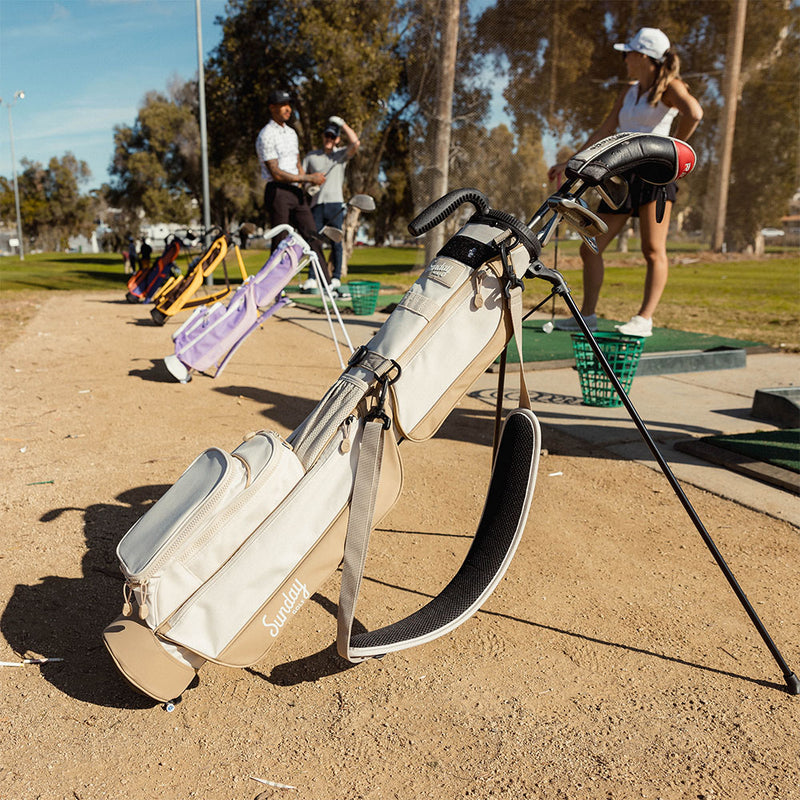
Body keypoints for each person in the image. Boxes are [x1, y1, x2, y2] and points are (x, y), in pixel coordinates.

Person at [548, 27, 703, 337]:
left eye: (628, 53)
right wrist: (572, 161)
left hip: (657, 176)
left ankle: (644, 318)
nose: (625, 59)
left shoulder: (670, 87)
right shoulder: (630, 91)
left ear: (644, 57)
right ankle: (587, 316)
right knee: (591, 247)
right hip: (622, 176)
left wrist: (672, 151)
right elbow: (606, 128)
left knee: (652, 249)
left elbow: (694, 113)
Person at [255, 89, 329, 277]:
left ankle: (326, 284)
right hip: (278, 191)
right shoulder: (266, 135)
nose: (288, 109)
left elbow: (296, 164)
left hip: (296, 192)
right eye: (283, 105)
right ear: (272, 108)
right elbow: (276, 173)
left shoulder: (292, 133)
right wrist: (309, 178)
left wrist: (307, 184)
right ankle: (274, 289)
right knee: (280, 243)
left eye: (289, 105)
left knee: (312, 236)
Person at [302, 116, 361, 289]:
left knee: (337, 241)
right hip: (317, 205)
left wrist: (343, 123)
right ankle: (312, 277)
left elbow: (356, 143)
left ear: (337, 139)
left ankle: (335, 277)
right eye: (327, 136)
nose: (329, 139)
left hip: (336, 204)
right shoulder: (311, 157)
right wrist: (308, 185)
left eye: (332, 137)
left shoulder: (340, 155)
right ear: (323, 137)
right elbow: (302, 177)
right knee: (314, 241)